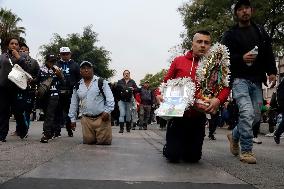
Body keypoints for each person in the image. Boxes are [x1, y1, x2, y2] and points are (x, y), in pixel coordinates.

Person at [162, 30, 230, 163]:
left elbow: (226, 86)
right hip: (178, 117)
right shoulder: (178, 61)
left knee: (192, 158)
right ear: (192, 43)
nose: (203, 45)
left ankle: (188, 148)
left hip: (198, 117)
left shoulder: (217, 64)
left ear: (210, 45)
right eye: (199, 42)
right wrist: (159, 95)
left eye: (206, 42)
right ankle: (170, 147)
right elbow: (165, 82)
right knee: (173, 156)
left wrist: (218, 99)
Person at [222, 0, 277, 164]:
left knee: (254, 117)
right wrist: (241, 58)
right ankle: (246, 151)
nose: (244, 11)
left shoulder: (260, 30)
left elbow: (268, 51)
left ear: (251, 11)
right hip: (239, 80)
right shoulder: (230, 34)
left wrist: (272, 72)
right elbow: (224, 58)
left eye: (246, 8)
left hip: (257, 80)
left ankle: (234, 135)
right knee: (246, 112)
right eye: (240, 9)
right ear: (236, 13)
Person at [68, 61, 114, 145]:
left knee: (103, 143)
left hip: (102, 118)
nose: (86, 70)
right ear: (80, 71)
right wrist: (72, 119)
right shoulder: (77, 86)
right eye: (83, 68)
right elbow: (73, 103)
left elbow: (110, 98)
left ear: (92, 70)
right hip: (86, 119)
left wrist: (107, 111)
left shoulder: (101, 82)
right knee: (88, 142)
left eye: (88, 68)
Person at [0, 37, 27, 142]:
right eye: (12, 43)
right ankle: (2, 135)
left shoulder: (23, 56)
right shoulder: (2, 57)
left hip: (17, 88)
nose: (14, 45)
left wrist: (18, 57)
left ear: (19, 46)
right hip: (3, 88)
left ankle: (23, 130)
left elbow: (27, 68)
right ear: (8, 45)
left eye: (16, 44)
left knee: (18, 111)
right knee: (3, 112)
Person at [11, 43, 40, 137]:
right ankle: (18, 130)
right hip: (17, 88)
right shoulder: (14, 60)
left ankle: (25, 129)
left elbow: (38, 76)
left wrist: (32, 81)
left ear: (28, 51)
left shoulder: (34, 62)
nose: (23, 51)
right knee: (17, 110)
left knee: (27, 110)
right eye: (21, 50)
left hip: (29, 90)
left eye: (25, 50)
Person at [38, 54, 65, 143]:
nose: (52, 63)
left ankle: (46, 134)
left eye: (54, 61)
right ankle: (52, 131)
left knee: (50, 114)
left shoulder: (57, 69)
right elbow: (37, 80)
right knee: (46, 114)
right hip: (44, 95)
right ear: (46, 61)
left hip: (54, 94)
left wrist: (59, 75)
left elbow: (63, 82)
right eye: (51, 61)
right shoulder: (41, 69)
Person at [56, 47, 80, 137]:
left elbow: (79, 78)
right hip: (58, 90)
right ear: (60, 55)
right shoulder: (56, 64)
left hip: (70, 91)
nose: (65, 55)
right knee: (58, 111)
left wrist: (77, 88)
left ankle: (69, 129)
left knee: (70, 111)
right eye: (63, 54)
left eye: (67, 54)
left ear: (70, 54)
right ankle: (57, 131)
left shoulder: (75, 65)